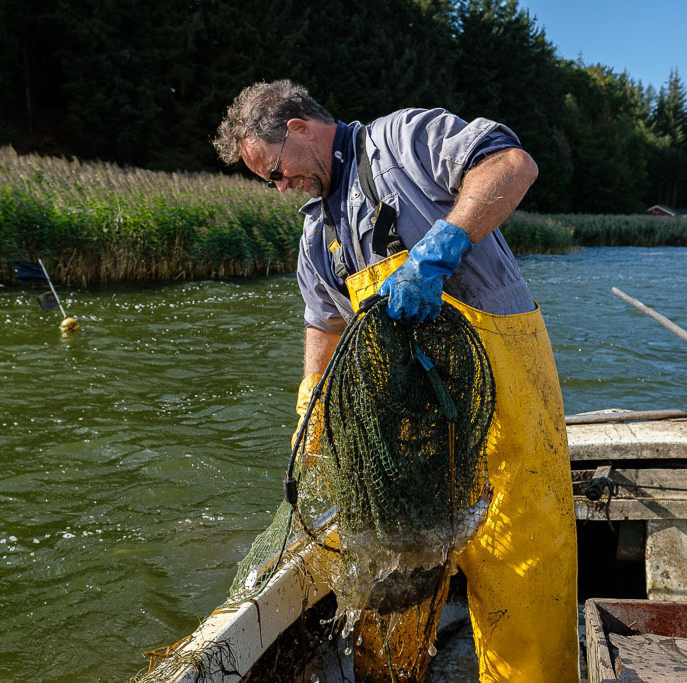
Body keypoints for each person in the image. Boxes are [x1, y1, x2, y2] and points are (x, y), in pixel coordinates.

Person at [214, 80, 578, 682]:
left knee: (521, 565)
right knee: (393, 576)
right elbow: (324, 323)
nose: (279, 187)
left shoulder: (402, 140)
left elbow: (513, 165)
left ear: (299, 128)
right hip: (403, 426)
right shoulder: (317, 235)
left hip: (504, 399)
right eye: (269, 182)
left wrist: (442, 246)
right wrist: (311, 405)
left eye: (275, 171)